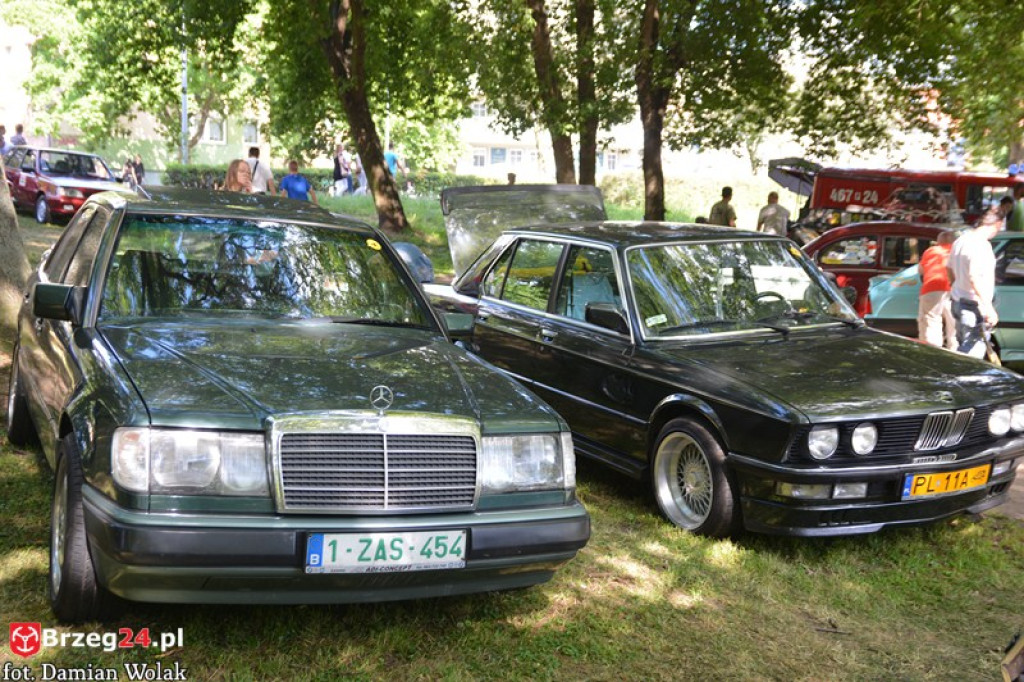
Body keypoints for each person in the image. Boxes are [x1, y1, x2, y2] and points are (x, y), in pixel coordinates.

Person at [948, 212, 1001, 358]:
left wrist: (956, 286)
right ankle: (961, 379)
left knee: (964, 345)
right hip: (973, 305)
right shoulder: (981, 245)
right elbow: (974, 277)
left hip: (958, 300)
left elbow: (949, 268)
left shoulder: (960, 241)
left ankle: (957, 375)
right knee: (973, 351)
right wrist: (989, 308)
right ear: (997, 225)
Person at [917, 230, 957, 349]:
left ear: (938, 241)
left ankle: (933, 352)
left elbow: (921, 271)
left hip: (931, 289)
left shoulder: (931, 251)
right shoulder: (956, 252)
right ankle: (956, 353)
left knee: (931, 322)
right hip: (955, 290)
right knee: (954, 325)